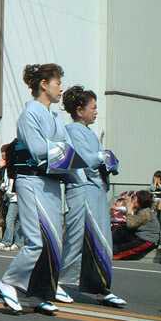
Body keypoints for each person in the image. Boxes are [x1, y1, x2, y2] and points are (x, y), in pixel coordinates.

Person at [0, 63, 75, 315]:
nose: (61, 88)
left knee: (53, 242)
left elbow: (67, 147)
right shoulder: (30, 114)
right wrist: (63, 151)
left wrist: (67, 156)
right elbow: (40, 150)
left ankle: (39, 294)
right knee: (36, 241)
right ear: (44, 85)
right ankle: (8, 282)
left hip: (51, 183)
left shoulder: (54, 116)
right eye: (57, 83)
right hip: (32, 181)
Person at [57, 86, 126, 307]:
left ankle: (102, 288)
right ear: (79, 110)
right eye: (93, 107)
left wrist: (105, 158)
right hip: (83, 188)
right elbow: (85, 158)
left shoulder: (87, 131)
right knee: (77, 238)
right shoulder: (74, 131)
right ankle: (57, 281)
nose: (96, 112)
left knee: (101, 239)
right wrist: (103, 155)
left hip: (95, 190)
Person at [112, 190, 160, 260]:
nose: (132, 201)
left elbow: (131, 225)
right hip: (138, 236)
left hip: (147, 241)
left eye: (134, 199)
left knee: (122, 250)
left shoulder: (146, 212)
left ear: (141, 200)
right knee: (121, 229)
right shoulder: (140, 210)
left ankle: (111, 253)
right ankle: (109, 246)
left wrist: (129, 209)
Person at [0, 145, 23, 251]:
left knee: (10, 219)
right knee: (17, 220)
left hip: (16, 196)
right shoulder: (7, 167)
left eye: (5, 152)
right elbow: (3, 179)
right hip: (11, 196)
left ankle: (7, 242)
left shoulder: (15, 165)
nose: (3, 154)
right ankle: (18, 242)